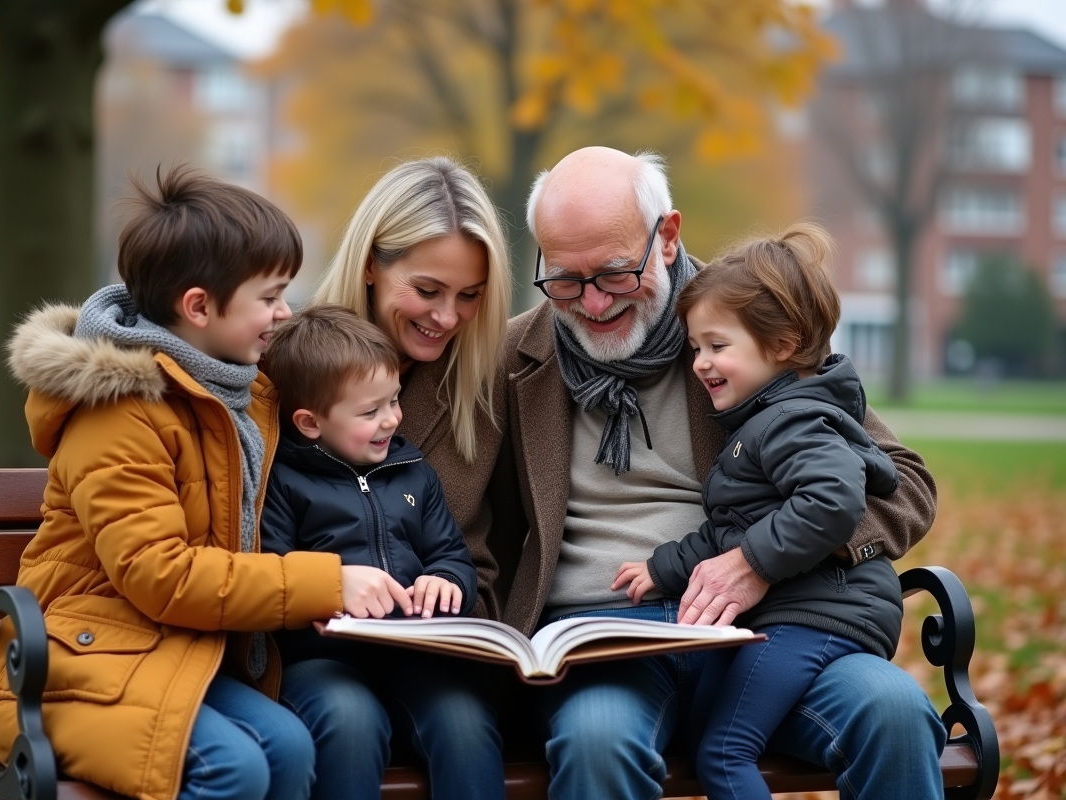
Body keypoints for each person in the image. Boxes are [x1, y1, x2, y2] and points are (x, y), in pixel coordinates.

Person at [449, 146, 944, 799]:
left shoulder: (738, 319)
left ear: (668, 235)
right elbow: (446, 503)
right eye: (566, 279)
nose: (593, 303)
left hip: (761, 629)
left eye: (615, 274)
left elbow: (903, 480)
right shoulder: (511, 356)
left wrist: (759, 559)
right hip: (599, 644)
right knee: (597, 743)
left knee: (894, 714)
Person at [0, 166, 394, 800]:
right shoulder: (120, 411)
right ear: (199, 306)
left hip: (167, 655)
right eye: (270, 296)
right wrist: (326, 582)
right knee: (234, 767)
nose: (285, 313)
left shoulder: (236, 391)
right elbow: (160, 573)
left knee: (287, 747)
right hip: (74, 670)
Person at [611, 222, 905, 799]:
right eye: (696, 348)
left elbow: (832, 500)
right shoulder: (764, 421)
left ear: (784, 345)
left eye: (717, 347)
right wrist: (663, 568)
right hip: (798, 619)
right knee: (714, 735)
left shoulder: (792, 420)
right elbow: (731, 527)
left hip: (814, 619)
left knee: (722, 753)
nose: (700, 364)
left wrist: (755, 562)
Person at [282, 157, 511, 799]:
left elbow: (475, 555)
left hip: (430, 652)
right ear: (370, 266)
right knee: (349, 722)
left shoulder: (477, 390)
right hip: (314, 652)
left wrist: (448, 591)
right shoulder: (292, 369)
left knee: (466, 722)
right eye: (429, 290)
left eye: (470, 296)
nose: (448, 317)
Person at [258, 304, 500, 799]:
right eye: (369, 412)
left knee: (464, 719)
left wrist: (447, 581)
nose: (391, 419)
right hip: (320, 660)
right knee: (349, 723)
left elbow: (452, 556)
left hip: (415, 652)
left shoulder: (412, 472)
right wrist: (327, 590)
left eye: (393, 400)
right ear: (309, 422)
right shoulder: (281, 481)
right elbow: (271, 572)